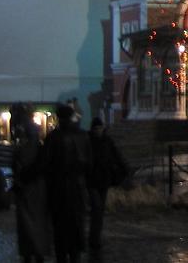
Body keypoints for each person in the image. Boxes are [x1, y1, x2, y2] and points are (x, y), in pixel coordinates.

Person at [44, 103, 92, 263]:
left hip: (59, 189)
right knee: (76, 227)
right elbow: (90, 163)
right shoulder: (83, 136)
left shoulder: (53, 137)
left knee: (60, 231)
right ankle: (75, 256)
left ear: (59, 118)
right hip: (78, 188)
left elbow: (45, 164)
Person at [13, 107, 50, 262]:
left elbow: (18, 164)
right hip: (36, 187)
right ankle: (37, 250)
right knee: (37, 220)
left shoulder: (23, 147)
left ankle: (30, 250)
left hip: (28, 187)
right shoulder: (38, 147)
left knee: (28, 221)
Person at [88, 117, 127, 252]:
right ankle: (94, 239)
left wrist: (124, 169)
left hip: (103, 181)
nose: (98, 130)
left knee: (99, 211)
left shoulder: (107, 141)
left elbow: (116, 156)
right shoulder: (89, 141)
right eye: (96, 128)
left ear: (103, 128)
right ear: (92, 129)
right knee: (97, 209)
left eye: (100, 128)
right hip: (92, 181)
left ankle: (95, 238)